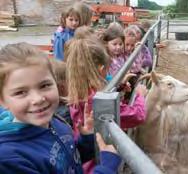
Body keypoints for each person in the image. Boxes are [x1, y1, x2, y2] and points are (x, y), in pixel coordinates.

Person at [0, 42, 121, 173]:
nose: (38, 99)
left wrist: (86, 140)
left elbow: (67, 160)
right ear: (2, 101)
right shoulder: (9, 159)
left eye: (44, 85)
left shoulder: (55, 122)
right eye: (20, 92)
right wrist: (107, 168)